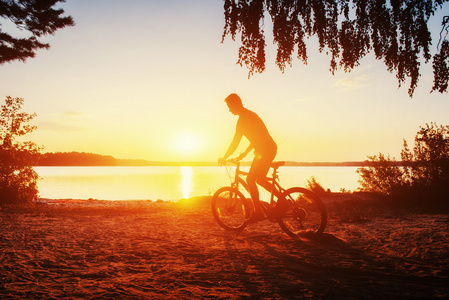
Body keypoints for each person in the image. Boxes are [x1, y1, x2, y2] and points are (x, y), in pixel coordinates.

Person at [218, 93, 277, 222]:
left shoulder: (245, 119)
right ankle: (283, 202)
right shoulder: (248, 116)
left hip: (265, 150)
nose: (229, 110)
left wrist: (224, 157)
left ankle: (258, 213)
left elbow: (234, 143)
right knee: (260, 180)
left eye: (229, 106)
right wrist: (244, 153)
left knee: (250, 179)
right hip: (267, 149)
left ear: (235, 104)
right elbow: (256, 138)